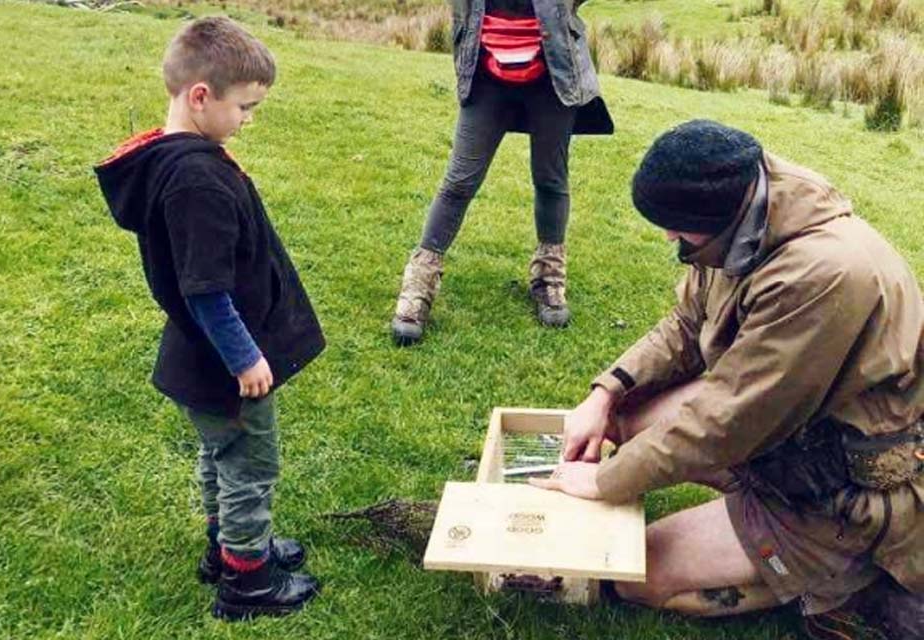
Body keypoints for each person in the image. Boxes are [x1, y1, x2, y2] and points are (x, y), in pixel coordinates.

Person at [532, 121, 924, 638]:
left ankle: (844, 577)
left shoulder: (822, 275)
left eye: (677, 227)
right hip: (785, 439)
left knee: (636, 578)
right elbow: (686, 324)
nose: (669, 236)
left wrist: (606, 481)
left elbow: (727, 422)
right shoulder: (741, 213)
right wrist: (608, 392)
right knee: (626, 422)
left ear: (720, 215)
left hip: (834, 494)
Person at [94, 17, 325, 621]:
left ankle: (227, 548)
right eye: (245, 107)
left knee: (221, 453)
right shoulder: (197, 182)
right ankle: (247, 581)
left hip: (197, 357)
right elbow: (206, 291)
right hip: (224, 362)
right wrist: (245, 360)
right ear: (201, 96)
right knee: (250, 463)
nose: (248, 120)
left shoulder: (172, 160)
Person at [390, 0, 613, 345]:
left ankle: (549, 277)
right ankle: (419, 282)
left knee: (550, 179)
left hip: (553, 75)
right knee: (458, 183)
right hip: (486, 77)